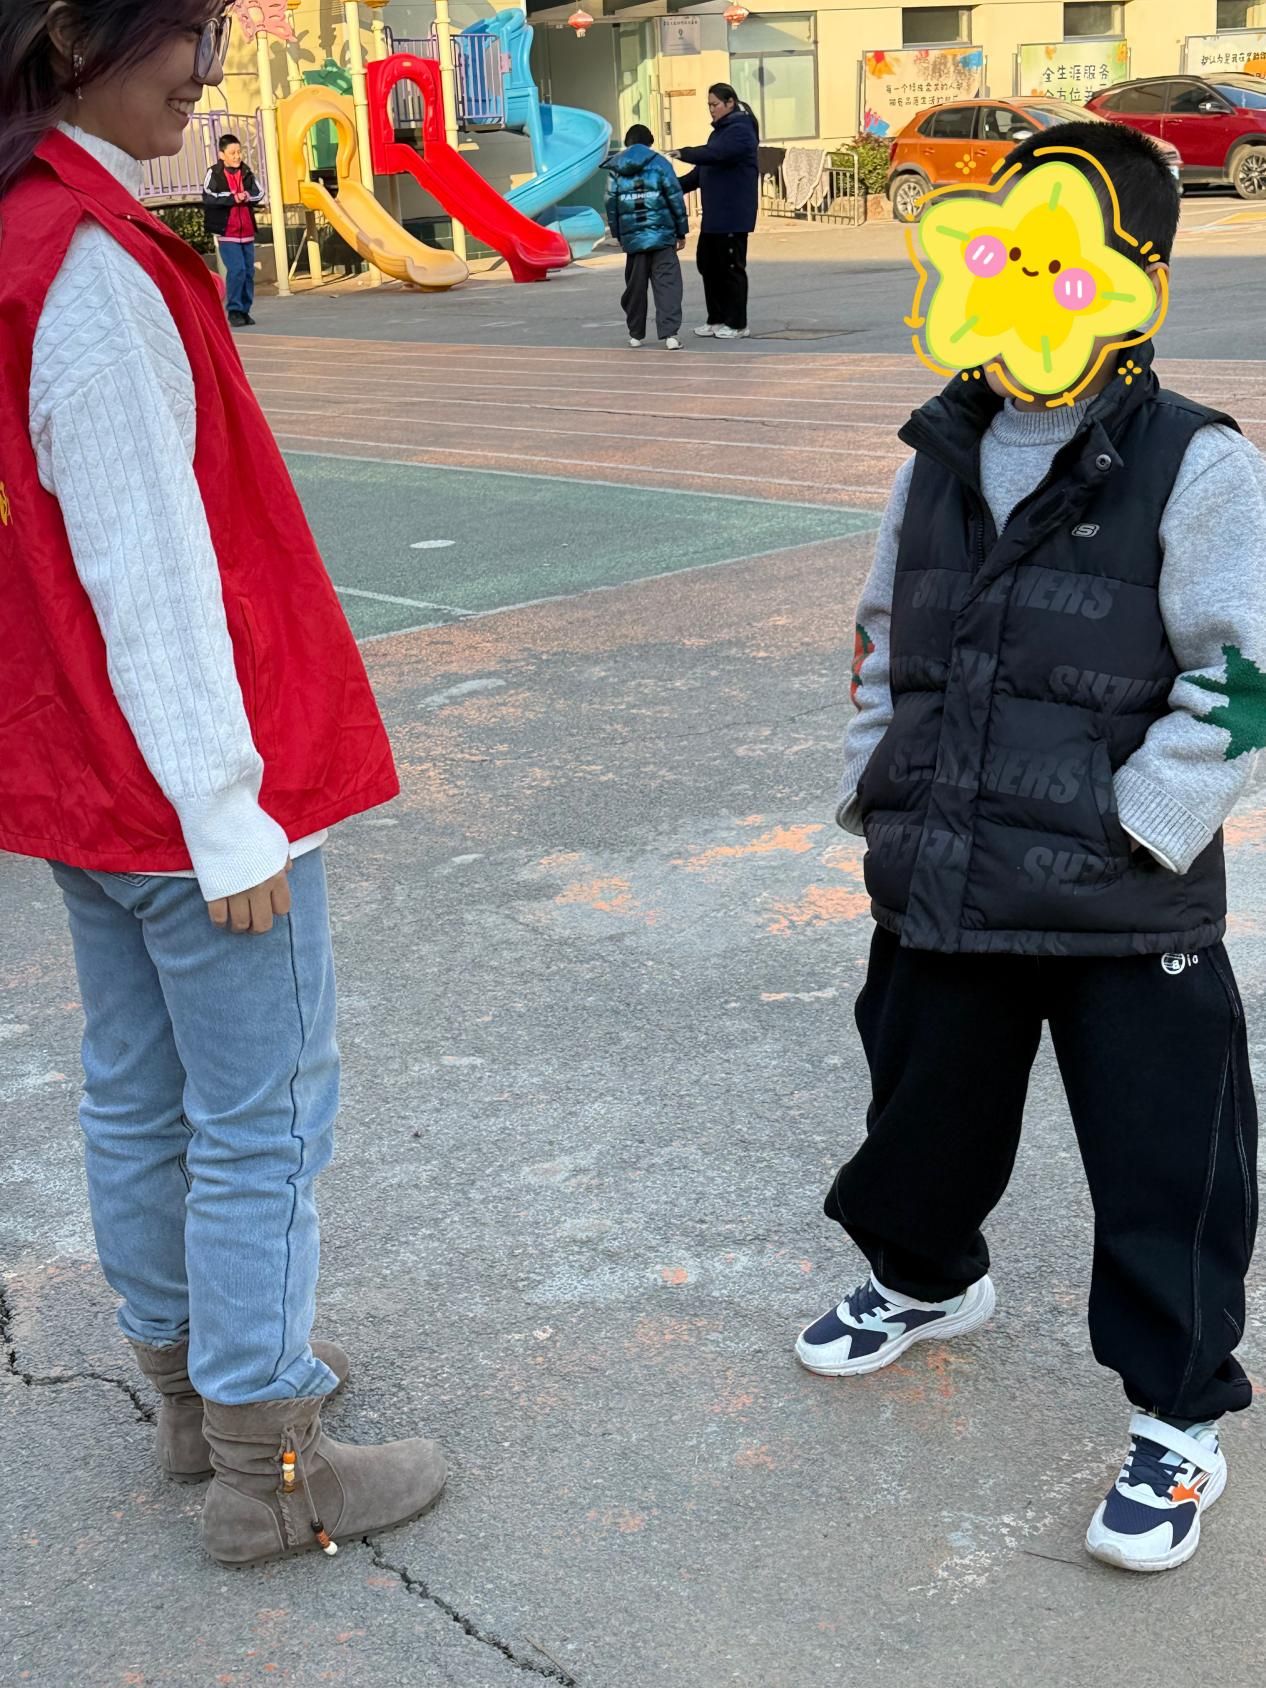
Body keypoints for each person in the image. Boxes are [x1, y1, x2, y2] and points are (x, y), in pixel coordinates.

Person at [0, 0, 446, 1566]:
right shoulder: (86, 268)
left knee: (137, 1089)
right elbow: (149, 561)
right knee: (261, 1112)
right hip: (175, 782)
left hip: (79, 769)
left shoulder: (23, 236)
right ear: (74, 35)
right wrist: (225, 801)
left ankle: (193, 1388)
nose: (207, 65)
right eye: (186, 29)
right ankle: (271, 1459)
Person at [796, 122, 1264, 1574]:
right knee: (921, 1115)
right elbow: (884, 631)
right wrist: (878, 785)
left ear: (1134, 277)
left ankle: (1178, 1413)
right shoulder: (939, 447)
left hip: (1125, 901)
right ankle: (927, 1276)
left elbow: (1247, 677)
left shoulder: (1194, 462)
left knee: (1165, 1163)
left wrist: (1145, 823)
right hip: (944, 871)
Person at [673, 83, 758, 341]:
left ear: (730, 103)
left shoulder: (741, 131)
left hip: (732, 215)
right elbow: (701, 172)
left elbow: (716, 155)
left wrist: (684, 153)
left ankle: (737, 323)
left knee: (731, 268)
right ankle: (717, 318)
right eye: (709, 105)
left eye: (715, 104)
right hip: (714, 217)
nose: (711, 110)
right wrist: (671, 186)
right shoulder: (718, 134)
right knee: (708, 265)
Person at [605, 122, 688, 351]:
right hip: (663, 237)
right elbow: (675, 197)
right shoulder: (660, 163)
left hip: (634, 241)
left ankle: (635, 335)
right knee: (668, 285)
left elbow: (611, 203)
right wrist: (681, 231)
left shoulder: (616, 167)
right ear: (649, 142)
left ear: (628, 143)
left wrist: (619, 234)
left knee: (635, 287)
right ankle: (670, 335)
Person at [201, 129, 263, 326]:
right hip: (227, 232)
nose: (237, 156)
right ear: (222, 155)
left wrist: (247, 196)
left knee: (248, 272)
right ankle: (234, 310)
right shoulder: (214, 173)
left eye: (239, 152)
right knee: (237, 270)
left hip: (247, 233)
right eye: (232, 153)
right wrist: (232, 198)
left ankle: (245, 310)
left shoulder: (246, 172)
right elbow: (208, 196)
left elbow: (259, 193)